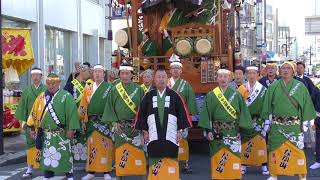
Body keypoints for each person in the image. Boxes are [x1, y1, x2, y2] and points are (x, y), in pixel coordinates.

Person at [261, 61, 316, 180]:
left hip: (294, 125)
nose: (285, 70)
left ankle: (302, 174)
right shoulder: (274, 86)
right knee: (275, 149)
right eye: (283, 68)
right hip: (277, 125)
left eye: (288, 68)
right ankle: (274, 174)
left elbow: (306, 105)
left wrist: (305, 123)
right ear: (280, 71)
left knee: (297, 150)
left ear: (293, 71)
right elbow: (268, 105)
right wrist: (267, 122)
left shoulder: (300, 86)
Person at [135, 69, 192, 180]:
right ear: (154, 80)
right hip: (153, 132)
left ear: (167, 79)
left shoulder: (175, 95)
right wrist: (145, 131)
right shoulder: (148, 96)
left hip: (170, 132)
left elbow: (182, 113)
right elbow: (141, 114)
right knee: (154, 154)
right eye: (158, 77)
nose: (161, 79)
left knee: (171, 154)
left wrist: (179, 130)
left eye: (163, 77)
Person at [199, 68, 252, 180]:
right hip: (217, 131)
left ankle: (234, 176)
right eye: (220, 76)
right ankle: (218, 177)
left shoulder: (236, 95)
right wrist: (208, 131)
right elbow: (206, 114)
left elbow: (242, 113)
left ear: (229, 79)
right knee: (217, 155)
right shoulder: (211, 95)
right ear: (217, 79)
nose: (223, 79)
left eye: (225, 76)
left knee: (233, 156)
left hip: (233, 131)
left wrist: (240, 131)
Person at [26, 73, 80, 180]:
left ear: (59, 83)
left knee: (65, 156)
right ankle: (47, 176)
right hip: (47, 134)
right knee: (47, 157)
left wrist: (71, 129)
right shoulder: (41, 97)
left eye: (53, 83)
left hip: (62, 133)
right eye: (48, 83)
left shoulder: (66, 96)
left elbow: (72, 113)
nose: (51, 86)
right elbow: (34, 113)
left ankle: (69, 176)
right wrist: (32, 128)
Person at [102, 61, 146, 179]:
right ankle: (120, 176)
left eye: (127, 73)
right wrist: (114, 122)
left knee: (138, 153)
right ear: (119, 75)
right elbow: (109, 107)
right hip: (120, 127)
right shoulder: (114, 89)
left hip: (135, 127)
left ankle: (142, 176)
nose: (125, 76)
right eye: (122, 73)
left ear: (132, 75)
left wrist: (140, 124)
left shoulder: (139, 89)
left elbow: (144, 109)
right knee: (120, 152)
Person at [79, 65, 114, 180]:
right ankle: (91, 171)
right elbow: (83, 105)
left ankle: (107, 172)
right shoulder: (88, 88)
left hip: (105, 122)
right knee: (91, 146)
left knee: (106, 147)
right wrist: (83, 120)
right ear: (92, 74)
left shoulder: (109, 88)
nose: (97, 74)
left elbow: (113, 105)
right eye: (95, 72)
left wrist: (112, 121)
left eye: (99, 72)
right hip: (91, 123)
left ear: (104, 74)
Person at [167, 54, 198, 174]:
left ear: (181, 70)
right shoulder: (166, 84)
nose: (175, 70)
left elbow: (190, 100)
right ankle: (171, 160)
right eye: (173, 68)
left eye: (177, 68)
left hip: (181, 117)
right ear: (170, 70)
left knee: (183, 139)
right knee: (169, 138)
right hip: (168, 117)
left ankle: (185, 163)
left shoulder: (186, 85)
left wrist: (189, 116)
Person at [15, 67, 47, 178]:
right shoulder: (27, 90)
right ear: (31, 77)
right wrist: (23, 121)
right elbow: (23, 107)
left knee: (44, 144)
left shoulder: (46, 89)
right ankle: (30, 167)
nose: (35, 77)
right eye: (33, 75)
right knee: (30, 144)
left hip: (44, 122)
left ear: (41, 77)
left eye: (38, 75)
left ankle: (45, 168)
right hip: (31, 122)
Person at [238, 66, 269, 175]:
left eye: (254, 73)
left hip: (259, 121)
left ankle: (264, 164)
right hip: (246, 121)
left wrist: (267, 122)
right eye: (249, 73)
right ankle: (243, 164)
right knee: (245, 143)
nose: (251, 76)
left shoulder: (263, 90)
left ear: (258, 75)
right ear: (246, 75)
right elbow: (238, 107)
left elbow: (266, 107)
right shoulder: (241, 89)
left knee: (261, 143)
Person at [310, 86, 320, 169]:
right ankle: (318, 161)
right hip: (319, 119)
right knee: (319, 141)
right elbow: (311, 102)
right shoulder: (317, 87)